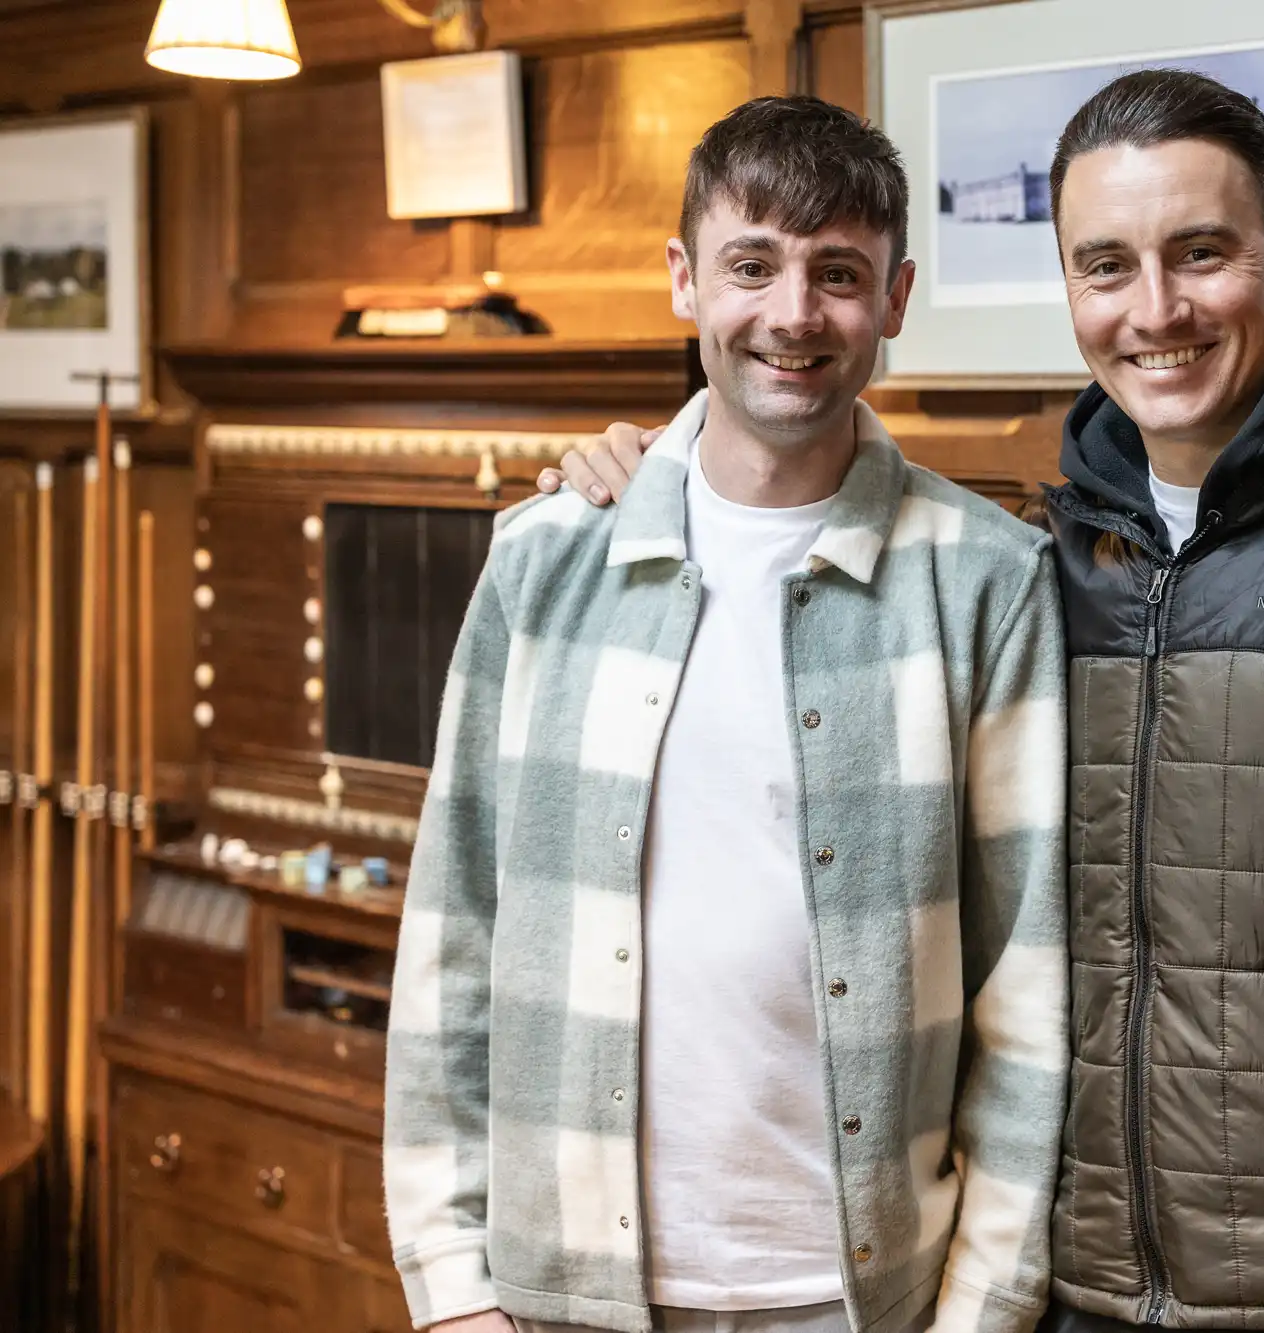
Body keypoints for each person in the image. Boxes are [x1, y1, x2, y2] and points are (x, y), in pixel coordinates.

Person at [547, 70, 1264, 1333]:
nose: (1156, 310)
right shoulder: (1039, 559)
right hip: (1076, 1291)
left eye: (1200, 254)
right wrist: (652, 474)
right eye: (1105, 266)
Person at [386, 96, 1069, 1333]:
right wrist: (449, 1287)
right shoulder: (546, 560)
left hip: (859, 1298)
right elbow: (455, 933)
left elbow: (1026, 996)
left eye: (838, 273)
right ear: (683, 281)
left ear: (896, 298)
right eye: (751, 265)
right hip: (559, 1295)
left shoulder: (987, 581)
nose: (793, 315)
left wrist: (983, 1312)